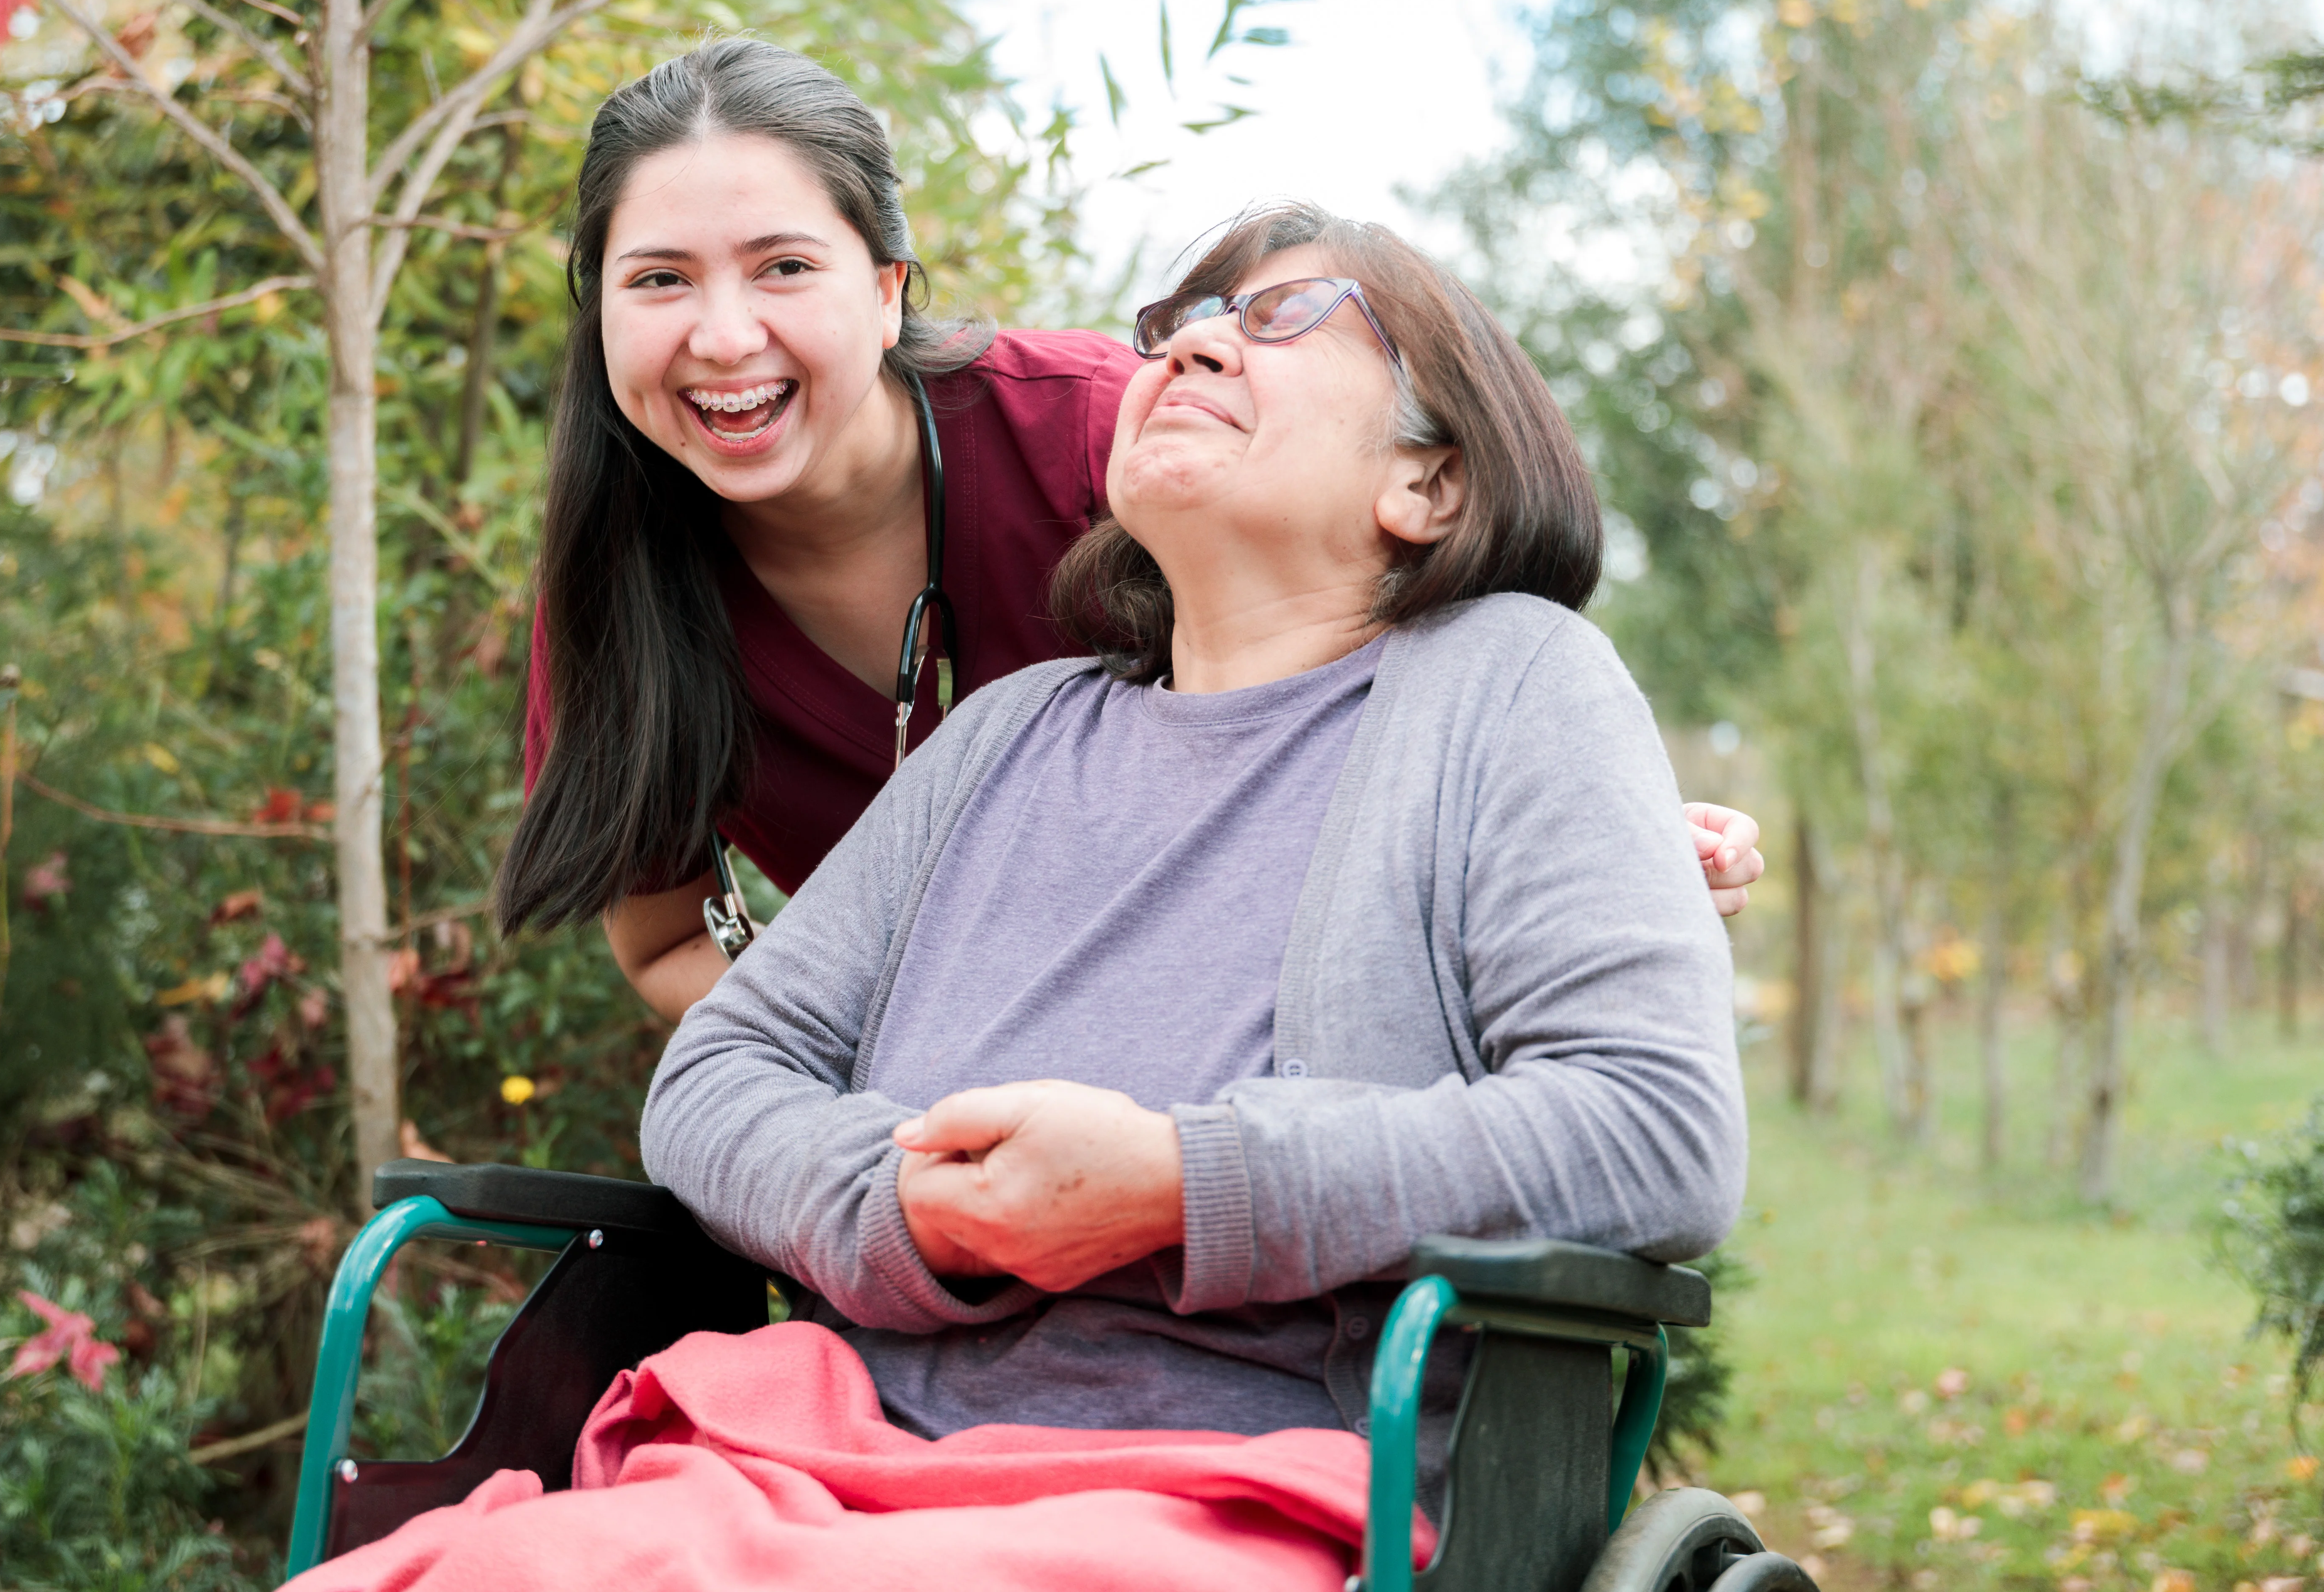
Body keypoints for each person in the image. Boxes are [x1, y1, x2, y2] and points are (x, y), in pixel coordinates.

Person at [638, 201, 1745, 1449]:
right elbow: (714, 1084)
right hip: (829, 1452)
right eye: (1180, 326)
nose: (1194, 348)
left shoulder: (1512, 685)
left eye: (1282, 317)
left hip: (1236, 1480)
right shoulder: (1011, 733)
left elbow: (1657, 1132)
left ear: (1428, 482)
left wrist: (1181, 1186)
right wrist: (911, 1210)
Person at [494, 38, 1764, 1021]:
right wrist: (850, 1071)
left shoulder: (1114, 440)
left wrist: (1586, 821)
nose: (722, 337)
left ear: (886, 293)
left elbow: (1402, 633)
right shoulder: (617, 587)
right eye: (658, 278)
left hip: (1244, 1052)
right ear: (598, 310)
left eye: (783, 269)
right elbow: (665, 937)